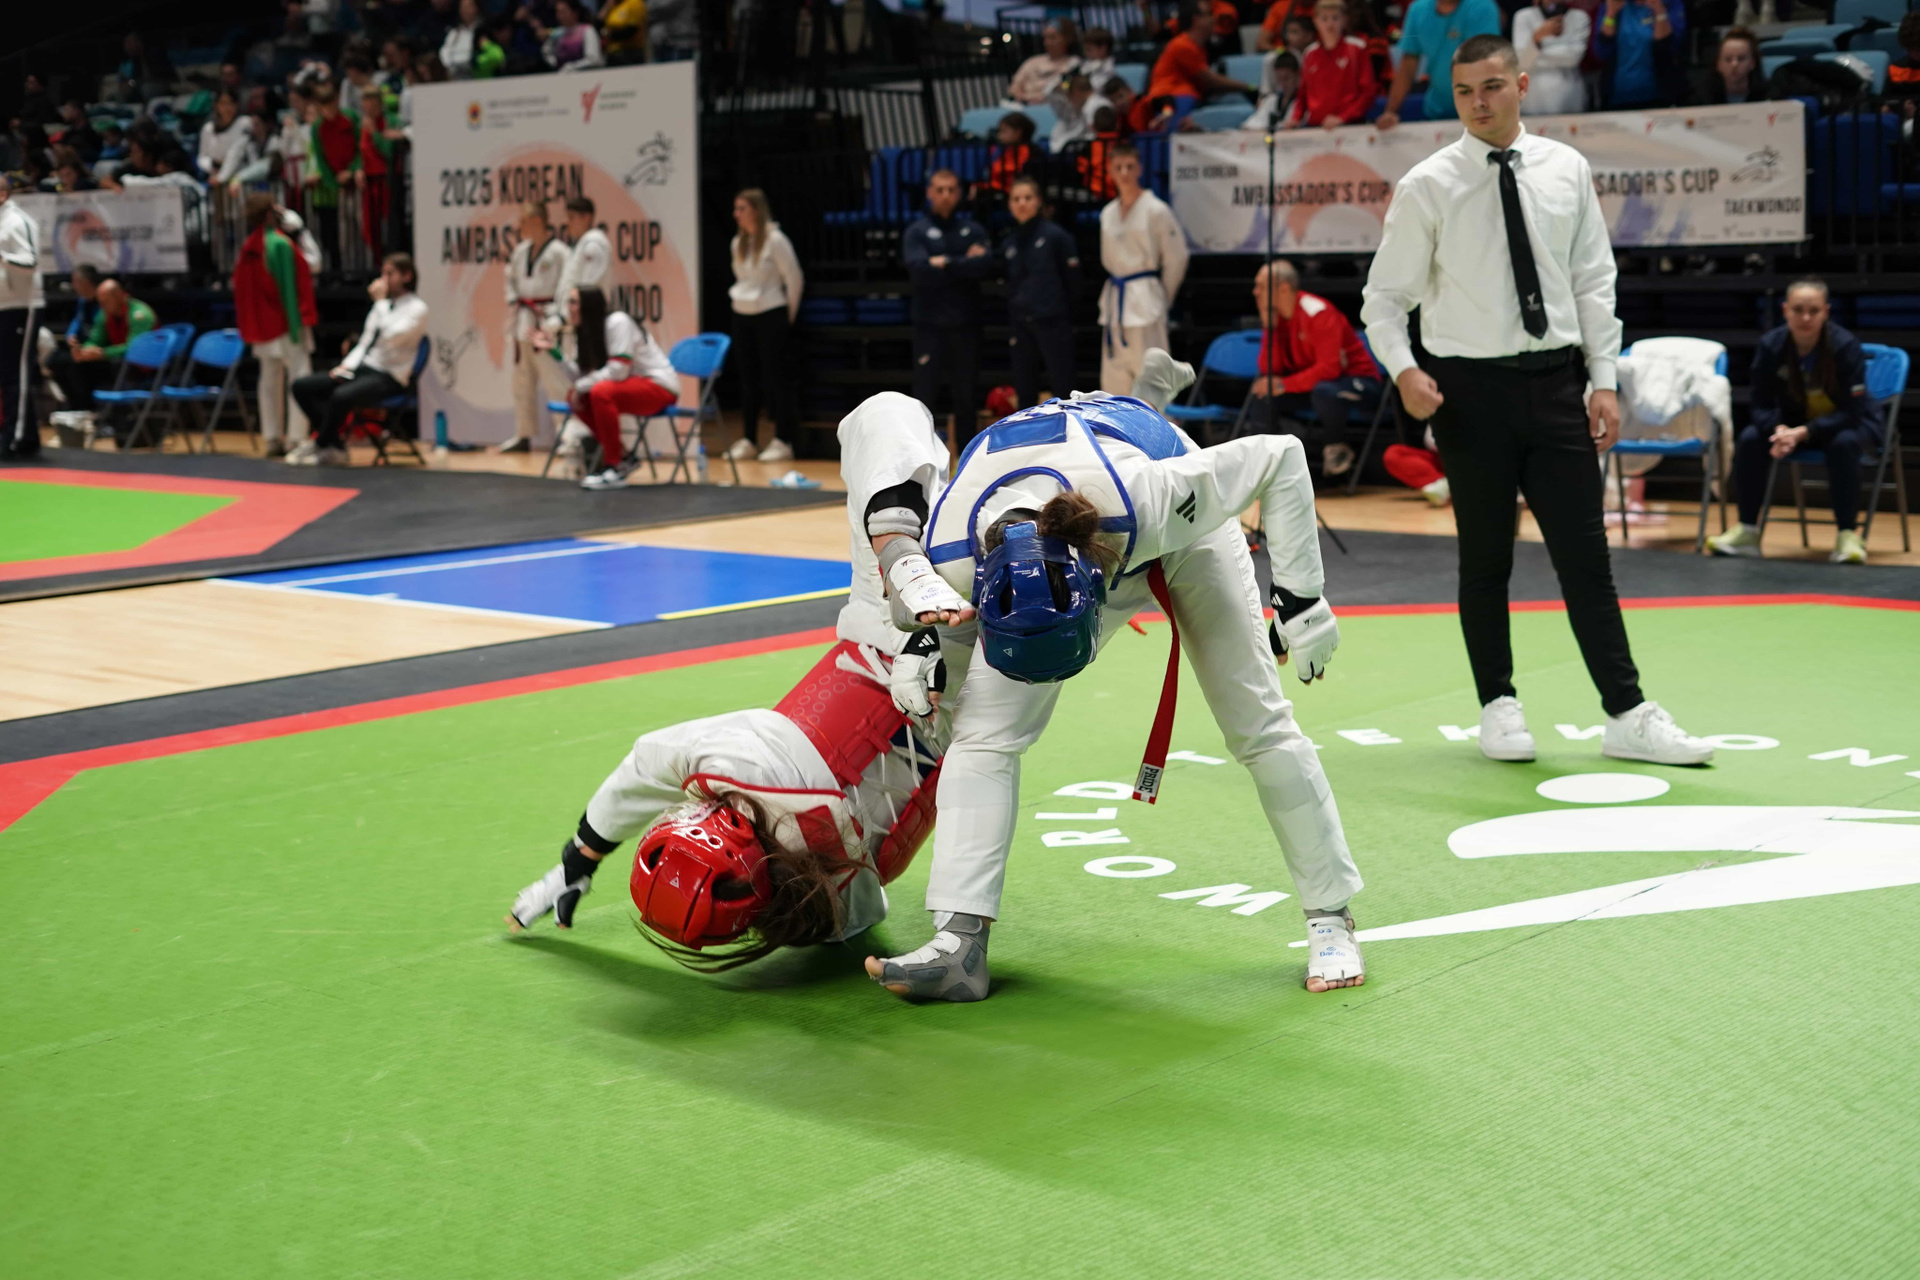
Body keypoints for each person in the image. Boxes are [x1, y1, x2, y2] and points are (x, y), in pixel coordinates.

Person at [856, 357, 1369, 1003]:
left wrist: (1301, 598)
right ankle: (960, 944)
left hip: (1164, 529)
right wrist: (924, 646)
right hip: (1062, 497)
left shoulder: (1153, 497)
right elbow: (931, 620)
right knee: (981, 735)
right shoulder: (952, 557)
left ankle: (1331, 919)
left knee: (1257, 723)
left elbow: (1281, 455)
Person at [506, 395, 967, 965]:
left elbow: (859, 910)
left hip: (975, 710)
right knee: (884, 412)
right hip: (893, 634)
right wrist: (577, 860)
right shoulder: (736, 765)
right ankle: (904, 550)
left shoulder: (836, 913)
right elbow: (642, 769)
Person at [1361, 34, 1715, 767]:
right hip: (1468, 393)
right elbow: (1384, 300)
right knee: (1485, 558)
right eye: (1464, 92)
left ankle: (1626, 713)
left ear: (1521, 85)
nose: (1478, 103)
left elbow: (1593, 280)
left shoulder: (1566, 168)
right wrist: (1403, 371)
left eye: (1492, 87)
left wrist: (1604, 379)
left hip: (1558, 385)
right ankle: (1497, 704)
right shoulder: (1428, 183)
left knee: (1587, 560)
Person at [1708, 279, 1882, 565]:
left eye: (1814, 311)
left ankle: (1847, 534)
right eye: (1798, 310)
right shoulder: (1771, 345)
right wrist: (1778, 430)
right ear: (1785, 310)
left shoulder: (1845, 346)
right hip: (1792, 426)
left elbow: (1853, 411)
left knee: (1844, 444)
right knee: (1751, 439)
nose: (1806, 318)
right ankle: (1747, 531)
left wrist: (1805, 432)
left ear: (1826, 312)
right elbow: (1760, 403)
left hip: (1844, 426)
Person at [289, 253, 428, 466]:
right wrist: (345, 367)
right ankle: (334, 446)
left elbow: (390, 336)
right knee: (302, 386)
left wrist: (380, 303)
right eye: (383, 273)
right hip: (363, 369)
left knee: (341, 396)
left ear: (407, 276)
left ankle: (320, 443)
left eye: (390, 274)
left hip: (390, 376)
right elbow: (365, 342)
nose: (383, 279)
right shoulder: (383, 306)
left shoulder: (417, 309)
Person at [1248, 259, 1383, 479]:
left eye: (1261, 286)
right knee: (1263, 393)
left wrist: (1283, 384)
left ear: (1283, 288)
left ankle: (1337, 454)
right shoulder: (1278, 317)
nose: (1255, 292)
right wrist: (1269, 328)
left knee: (1324, 391)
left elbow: (1329, 370)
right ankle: (1263, 467)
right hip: (1315, 387)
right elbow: (1269, 370)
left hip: (1358, 383)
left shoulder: (1318, 313)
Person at [537, 285, 679, 491]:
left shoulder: (617, 322)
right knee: (578, 398)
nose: (569, 307)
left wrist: (580, 386)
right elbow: (580, 377)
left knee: (600, 392)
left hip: (658, 386)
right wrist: (554, 352)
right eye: (568, 302)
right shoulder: (586, 331)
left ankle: (614, 466)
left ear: (589, 305)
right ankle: (623, 456)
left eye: (574, 302)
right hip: (628, 387)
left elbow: (619, 370)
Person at [902, 170, 994, 445]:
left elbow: (983, 266)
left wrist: (944, 262)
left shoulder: (973, 230)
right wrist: (962, 262)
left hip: (966, 325)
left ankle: (965, 460)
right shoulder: (917, 231)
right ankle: (921, 459)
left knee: (966, 397)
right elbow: (918, 269)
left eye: (951, 190)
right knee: (924, 398)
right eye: (940, 190)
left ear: (959, 193)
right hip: (929, 327)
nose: (945, 195)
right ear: (929, 192)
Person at [1097, 142, 1188, 394]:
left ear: (1140, 169)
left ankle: (1158, 421)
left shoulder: (1156, 210)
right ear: (1110, 171)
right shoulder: (1107, 213)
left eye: (1129, 166)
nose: (1124, 173)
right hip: (1115, 300)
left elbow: (1176, 258)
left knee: (1151, 376)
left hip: (1146, 297)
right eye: (1118, 167)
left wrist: (1161, 297)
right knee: (1114, 379)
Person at [233, 192, 319, 458]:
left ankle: (271, 437)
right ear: (271, 213)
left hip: (262, 326)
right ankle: (295, 438)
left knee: (268, 380)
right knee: (300, 378)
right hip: (285, 323)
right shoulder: (280, 244)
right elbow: (290, 289)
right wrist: (296, 326)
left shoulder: (248, 246)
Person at [727, 188, 805, 464]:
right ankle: (749, 438)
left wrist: (787, 315)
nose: (737, 214)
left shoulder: (776, 240)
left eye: (742, 208)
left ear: (757, 210)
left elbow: (794, 278)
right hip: (742, 313)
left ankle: (783, 440)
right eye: (736, 208)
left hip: (771, 312)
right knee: (747, 379)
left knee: (776, 378)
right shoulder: (738, 242)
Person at [1001, 176, 1080, 409]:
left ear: (1038, 201)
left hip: (1053, 323)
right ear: (1010, 204)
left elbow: (1073, 283)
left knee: (1064, 388)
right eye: (1016, 199)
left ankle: (1070, 431)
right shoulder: (1009, 242)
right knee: (1025, 391)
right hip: (1021, 325)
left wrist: (1068, 318)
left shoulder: (1057, 237)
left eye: (1027, 198)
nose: (1022, 203)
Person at [499, 201, 572, 454]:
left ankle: (567, 437)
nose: (519, 225)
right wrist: (513, 299)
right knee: (521, 383)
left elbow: (567, 288)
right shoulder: (521, 251)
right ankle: (523, 435)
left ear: (538, 221)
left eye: (524, 220)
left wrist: (557, 319)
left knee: (556, 383)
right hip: (523, 322)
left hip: (547, 323)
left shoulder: (560, 252)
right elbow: (510, 281)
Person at [59, 278, 156, 447]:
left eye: (105, 301)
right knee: (70, 364)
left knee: (118, 365)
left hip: (145, 367)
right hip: (117, 362)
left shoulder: (140, 314)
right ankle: (86, 416)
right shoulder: (105, 314)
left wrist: (103, 353)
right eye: (100, 301)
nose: (102, 305)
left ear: (120, 296)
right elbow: (96, 339)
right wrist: (85, 351)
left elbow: (134, 349)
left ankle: (116, 423)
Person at [1375, 0, 1502, 129]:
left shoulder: (1482, 7)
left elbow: (1486, 65)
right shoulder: (1417, 10)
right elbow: (1407, 66)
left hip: (1478, 113)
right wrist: (1390, 111)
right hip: (1437, 112)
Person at [1146, 3, 1257, 131]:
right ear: (1196, 19)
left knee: (1237, 100)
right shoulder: (1182, 45)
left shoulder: (1199, 46)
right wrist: (1250, 87)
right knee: (1176, 135)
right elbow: (1211, 80)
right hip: (1173, 98)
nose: (1214, 18)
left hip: (1191, 96)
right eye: (1209, 14)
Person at [0, 173, 41, 459]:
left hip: (22, 305)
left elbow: (30, 261)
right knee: (6, 374)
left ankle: (15, 438)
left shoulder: (17, 221)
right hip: (3, 305)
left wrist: (3, 257)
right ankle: (25, 437)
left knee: (17, 373)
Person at [1288, 0, 1376, 129]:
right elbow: (1303, 95)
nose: (1330, 24)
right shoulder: (1309, 53)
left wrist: (1343, 117)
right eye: (1324, 19)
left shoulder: (1357, 48)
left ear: (1344, 20)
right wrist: (1296, 118)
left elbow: (1368, 92)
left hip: (1349, 125)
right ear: (1316, 21)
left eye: (1335, 18)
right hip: (1316, 126)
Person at [304, 83, 358, 270]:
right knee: (333, 234)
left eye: (331, 105)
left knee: (357, 231)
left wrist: (352, 170)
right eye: (323, 106)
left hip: (355, 183)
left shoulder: (351, 118)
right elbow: (321, 159)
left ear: (337, 101)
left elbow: (361, 147)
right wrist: (334, 183)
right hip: (332, 188)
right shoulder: (317, 127)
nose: (328, 110)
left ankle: (357, 270)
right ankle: (339, 272)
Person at [1594, 0, 1685, 110]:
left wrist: (1659, 11)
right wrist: (1610, 14)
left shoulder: (1670, 4)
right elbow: (1602, 53)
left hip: (1658, 96)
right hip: (1616, 95)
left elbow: (1670, 50)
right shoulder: (1612, 5)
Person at [1512, 0, 1591, 115]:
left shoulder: (1579, 17)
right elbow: (1522, 61)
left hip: (1569, 99)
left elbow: (1573, 57)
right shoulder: (1523, 16)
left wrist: (1535, 50)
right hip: (1533, 100)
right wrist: (1537, 37)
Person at [550, 195, 611, 335]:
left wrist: (563, 318)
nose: (567, 222)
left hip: (588, 321)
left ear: (587, 218)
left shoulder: (594, 245)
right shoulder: (580, 244)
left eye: (571, 217)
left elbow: (587, 290)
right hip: (576, 321)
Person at [1689, 27, 1769, 106]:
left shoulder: (1767, 94)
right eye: (1728, 59)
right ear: (1718, 64)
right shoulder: (1702, 97)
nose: (1734, 64)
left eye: (1741, 59)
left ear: (1752, 63)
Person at [1009, 18, 1080, 106]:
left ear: (1067, 39)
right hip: (1027, 106)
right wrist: (1025, 98)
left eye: (1052, 38)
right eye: (1045, 38)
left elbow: (1069, 90)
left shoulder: (1075, 64)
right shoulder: (1032, 62)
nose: (1047, 43)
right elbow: (1014, 88)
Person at [196, 91, 251, 179]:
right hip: (214, 172)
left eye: (231, 103)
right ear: (216, 105)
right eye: (223, 103)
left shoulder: (245, 123)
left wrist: (223, 175)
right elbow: (202, 157)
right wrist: (212, 166)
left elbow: (238, 152)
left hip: (240, 173)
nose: (227, 107)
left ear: (237, 105)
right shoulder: (208, 128)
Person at [1245, 51, 1303, 130]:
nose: (1283, 83)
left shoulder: (1301, 103)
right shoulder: (1272, 100)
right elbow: (1251, 123)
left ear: (1297, 76)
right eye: (1279, 79)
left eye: (1286, 78)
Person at [541, 0, 605, 71]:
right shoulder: (558, 33)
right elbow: (546, 51)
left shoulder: (587, 30)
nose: (560, 16)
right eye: (558, 12)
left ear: (575, 13)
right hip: (563, 74)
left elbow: (594, 59)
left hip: (587, 74)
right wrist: (555, 63)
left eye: (563, 12)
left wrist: (573, 67)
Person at [440, 0, 486, 78]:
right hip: (454, 74)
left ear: (477, 8)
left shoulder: (484, 30)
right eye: (463, 7)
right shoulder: (454, 33)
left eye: (468, 7)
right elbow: (444, 52)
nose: (465, 10)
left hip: (477, 74)